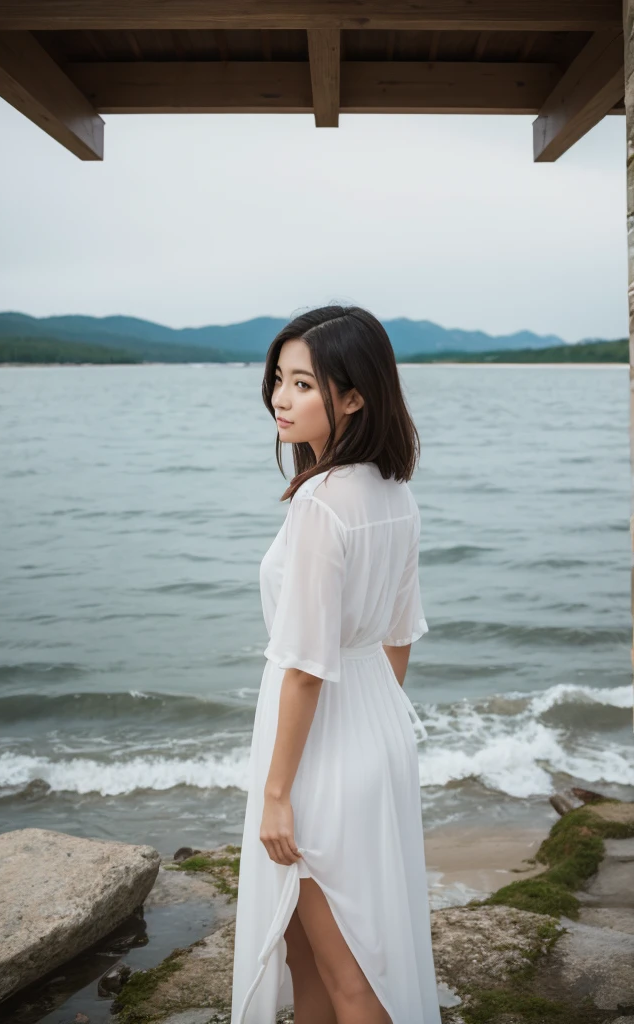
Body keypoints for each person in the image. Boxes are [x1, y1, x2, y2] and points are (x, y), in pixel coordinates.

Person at [230, 305, 441, 1024]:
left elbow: (304, 668)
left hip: (318, 750)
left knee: (351, 973)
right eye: (278, 381)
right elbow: (400, 636)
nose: (280, 400)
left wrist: (279, 791)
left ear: (353, 396)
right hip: (373, 728)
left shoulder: (322, 504)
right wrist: (371, 731)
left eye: (303, 384)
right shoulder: (395, 493)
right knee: (301, 946)